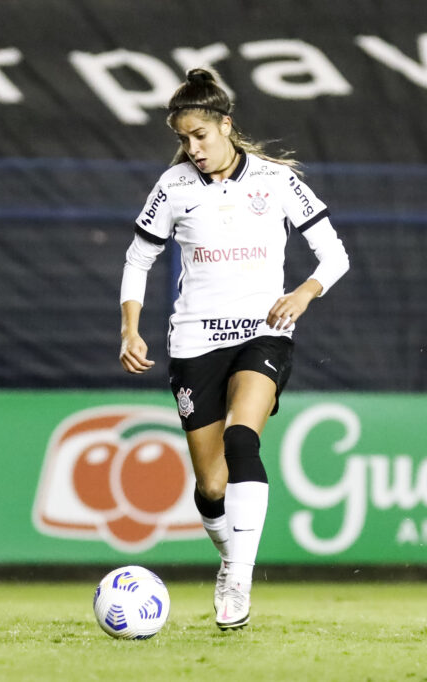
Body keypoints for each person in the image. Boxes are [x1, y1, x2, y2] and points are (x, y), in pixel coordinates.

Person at [118, 69, 349, 630]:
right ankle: (230, 558)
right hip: (195, 341)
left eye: (200, 135)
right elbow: (137, 260)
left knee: (242, 438)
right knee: (211, 485)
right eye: (184, 139)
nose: (193, 148)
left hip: (262, 331)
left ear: (226, 125)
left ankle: (238, 581)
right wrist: (130, 328)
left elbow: (334, 255)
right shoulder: (172, 188)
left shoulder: (275, 181)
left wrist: (303, 292)